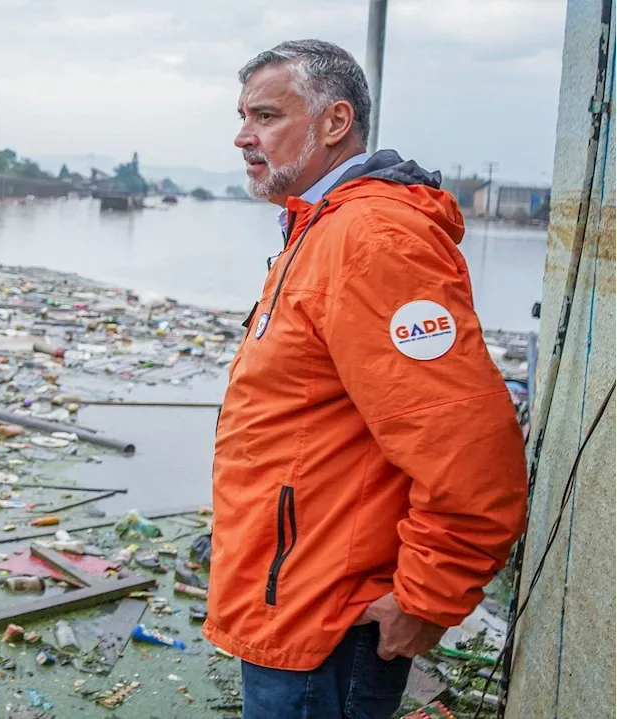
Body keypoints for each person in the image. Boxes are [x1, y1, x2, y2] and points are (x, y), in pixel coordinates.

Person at [206, 39, 528, 719]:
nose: (242, 136)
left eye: (264, 115)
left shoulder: (372, 241)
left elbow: (470, 446)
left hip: (328, 622)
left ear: (334, 122)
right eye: (241, 115)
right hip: (285, 599)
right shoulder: (317, 230)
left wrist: (427, 596)